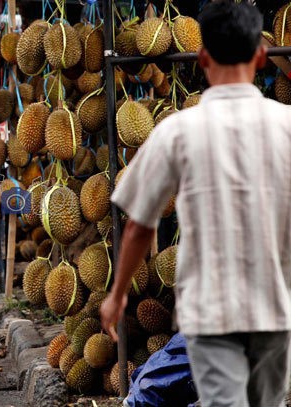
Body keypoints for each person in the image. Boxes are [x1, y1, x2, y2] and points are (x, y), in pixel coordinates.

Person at [100, 2, 291, 406]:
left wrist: (117, 294)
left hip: (212, 312)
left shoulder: (178, 130)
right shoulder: (287, 125)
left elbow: (139, 225)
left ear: (202, 57)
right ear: (261, 54)